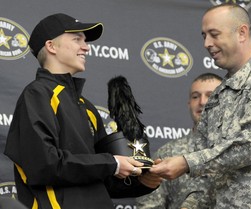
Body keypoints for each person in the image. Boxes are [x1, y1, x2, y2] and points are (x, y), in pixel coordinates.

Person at [4, 13, 161, 209]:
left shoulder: (87, 107)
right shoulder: (36, 95)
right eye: (77, 39)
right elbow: (45, 165)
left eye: (85, 41)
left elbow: (102, 179)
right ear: (51, 46)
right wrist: (112, 163)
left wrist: (141, 183)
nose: (86, 47)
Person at [150, 3, 251, 208]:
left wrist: (186, 162)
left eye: (214, 34)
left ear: (241, 33)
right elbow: (208, 173)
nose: (207, 43)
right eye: (204, 36)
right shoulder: (218, 96)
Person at [136, 73, 222, 209]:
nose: (202, 102)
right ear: (189, 104)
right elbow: (149, 205)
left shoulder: (243, 147)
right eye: (195, 96)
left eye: (210, 95)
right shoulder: (167, 153)